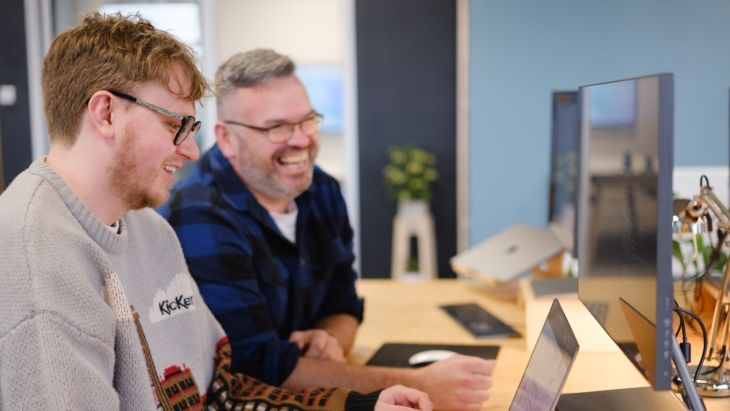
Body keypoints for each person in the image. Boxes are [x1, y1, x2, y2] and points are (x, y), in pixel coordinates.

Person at [0, 13, 432, 411]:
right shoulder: (37, 263)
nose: (190, 151)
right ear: (106, 112)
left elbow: (221, 391)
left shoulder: (150, 229)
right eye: (175, 126)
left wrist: (361, 405)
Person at [159, 49, 495, 410]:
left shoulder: (321, 190)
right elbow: (257, 369)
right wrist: (420, 383)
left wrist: (331, 339)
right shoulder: (198, 214)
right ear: (226, 139)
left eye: (307, 121)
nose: (302, 140)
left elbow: (344, 302)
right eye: (277, 127)